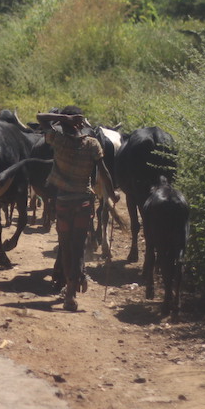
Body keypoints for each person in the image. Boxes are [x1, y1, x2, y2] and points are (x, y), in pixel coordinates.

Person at [36, 105, 117, 312]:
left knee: (65, 245)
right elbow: (105, 172)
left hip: (63, 202)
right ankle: (72, 289)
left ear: (64, 124)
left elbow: (40, 118)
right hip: (84, 203)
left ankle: (71, 286)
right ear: (81, 122)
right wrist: (112, 193)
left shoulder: (58, 141)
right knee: (79, 245)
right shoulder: (92, 144)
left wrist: (63, 117)